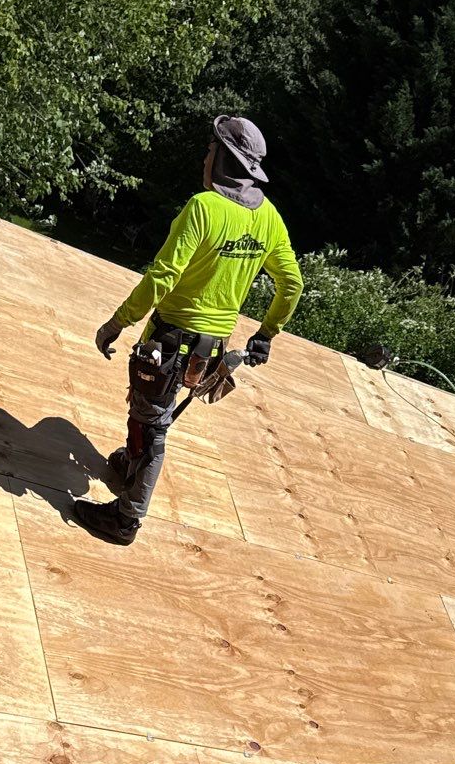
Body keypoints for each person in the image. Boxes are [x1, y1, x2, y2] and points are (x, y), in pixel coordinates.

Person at [73, 115, 303, 546]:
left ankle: (127, 519)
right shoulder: (269, 219)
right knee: (150, 415)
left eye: (210, 150)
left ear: (223, 160)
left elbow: (162, 276)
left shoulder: (203, 208)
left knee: (155, 426)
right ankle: (130, 464)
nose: (205, 157)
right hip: (208, 350)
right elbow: (292, 284)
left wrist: (118, 321)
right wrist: (267, 333)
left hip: (168, 343)